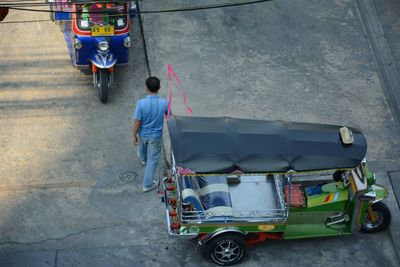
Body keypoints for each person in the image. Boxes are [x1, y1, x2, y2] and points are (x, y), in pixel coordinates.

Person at [133, 77, 168, 192]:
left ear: (146, 88)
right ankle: (147, 184)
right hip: (155, 136)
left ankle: (143, 159)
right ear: (159, 88)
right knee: (152, 160)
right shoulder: (164, 103)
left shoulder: (141, 103)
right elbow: (169, 117)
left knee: (142, 148)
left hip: (142, 134)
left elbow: (137, 121)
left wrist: (134, 135)